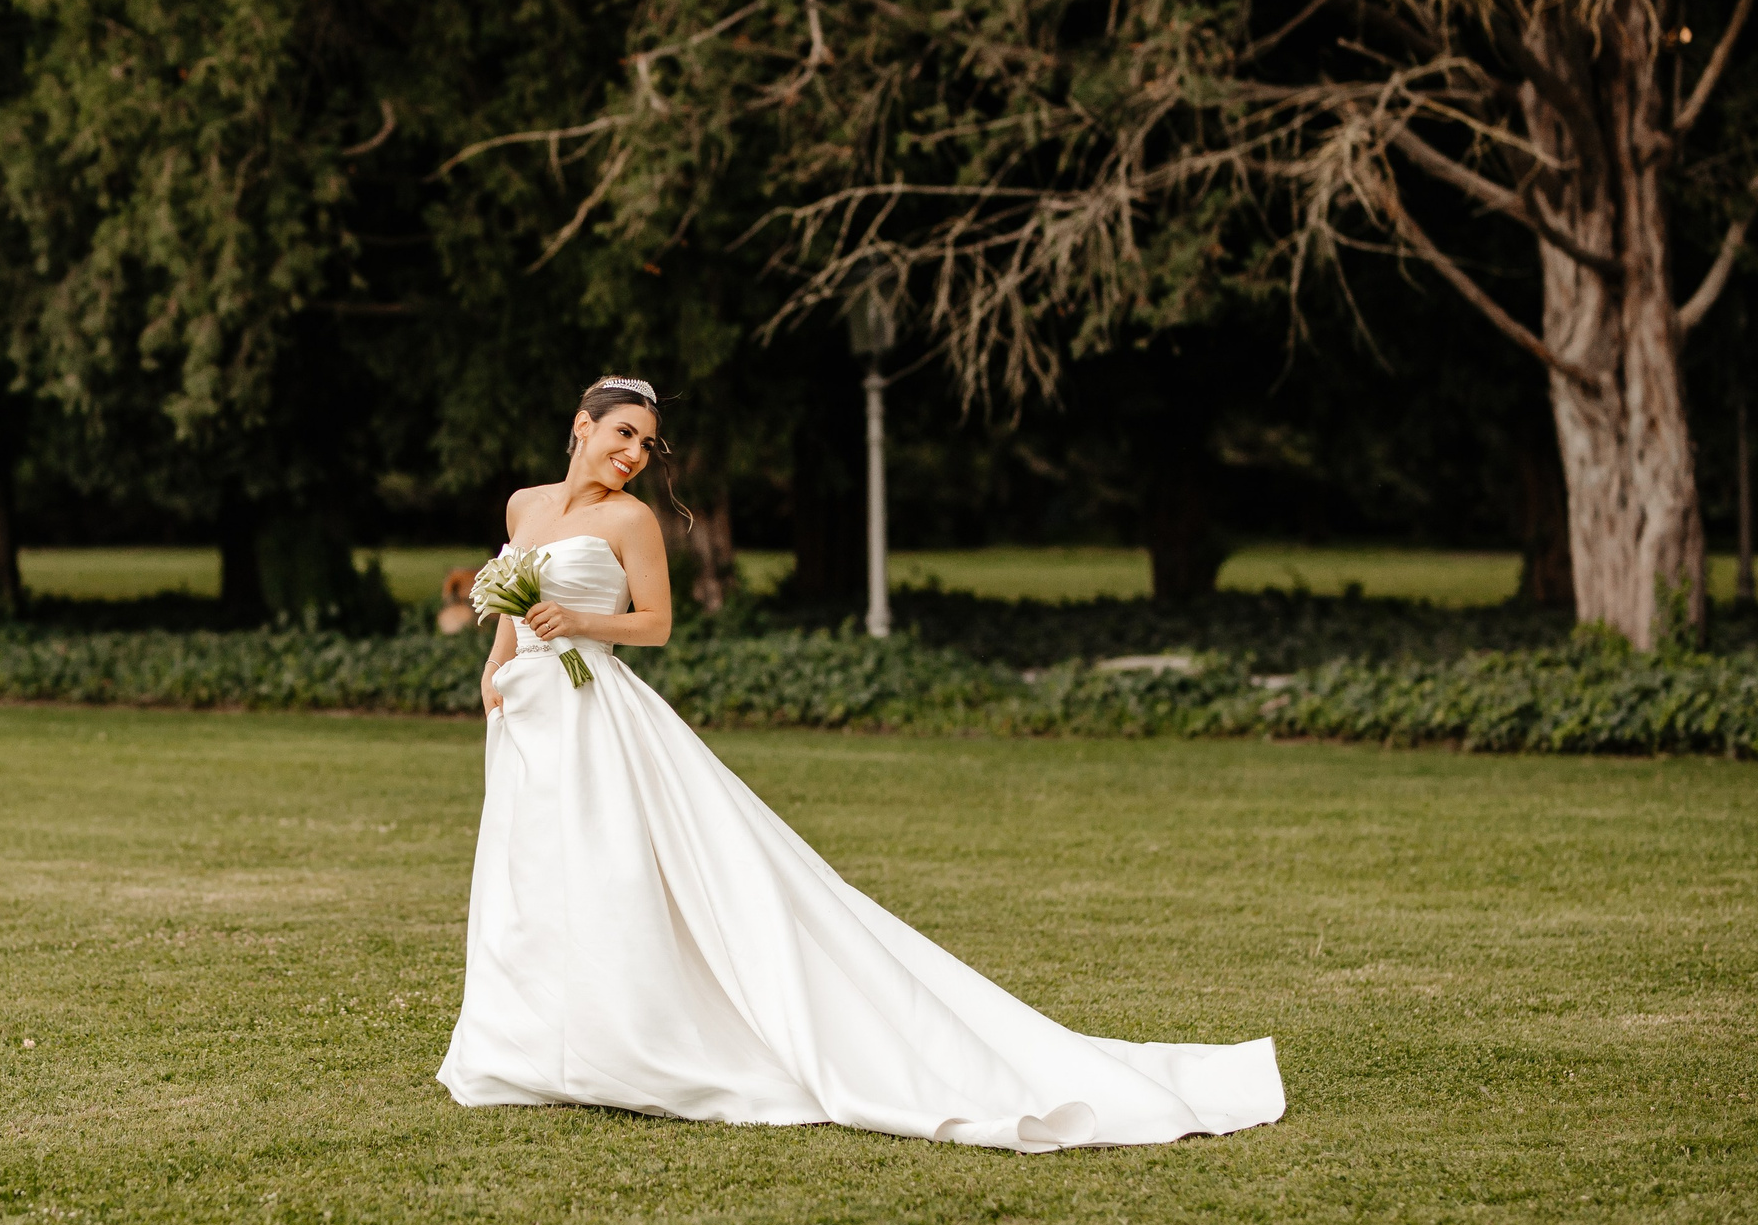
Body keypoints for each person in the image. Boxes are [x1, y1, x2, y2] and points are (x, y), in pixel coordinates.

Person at [437, 375, 1285, 1151]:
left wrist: (580, 624)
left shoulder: (631, 521)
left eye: (647, 445)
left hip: (597, 716)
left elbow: (654, 623)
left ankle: (627, 1043)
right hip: (527, 714)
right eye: (622, 434)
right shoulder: (524, 504)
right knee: (532, 873)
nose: (633, 455)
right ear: (581, 427)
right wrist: (494, 670)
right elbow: (510, 594)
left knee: (615, 875)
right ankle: (530, 1043)